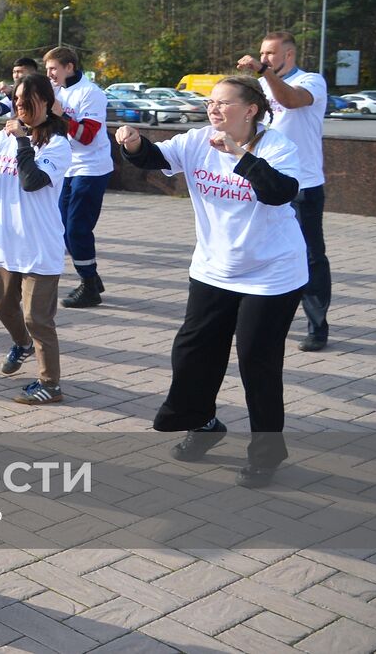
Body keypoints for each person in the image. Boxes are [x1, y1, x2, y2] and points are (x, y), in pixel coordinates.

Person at [115, 76, 305, 488]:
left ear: (250, 109)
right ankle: (203, 423)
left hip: (272, 274)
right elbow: (152, 157)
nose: (213, 109)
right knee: (193, 351)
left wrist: (239, 155)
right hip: (214, 269)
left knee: (257, 362)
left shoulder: (277, 147)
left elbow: (280, 192)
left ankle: (267, 454)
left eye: (223, 103)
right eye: (210, 102)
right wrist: (132, 143)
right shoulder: (198, 140)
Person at [0, 73, 72, 404]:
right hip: (5, 244)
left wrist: (23, 141)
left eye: (28, 102)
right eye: (17, 102)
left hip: (39, 247)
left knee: (37, 319)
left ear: (47, 104)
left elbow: (32, 181)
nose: (20, 108)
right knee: (2, 304)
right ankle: (21, 344)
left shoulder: (57, 145)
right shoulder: (3, 138)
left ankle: (50, 384)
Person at [237, 31, 331, 352]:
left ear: (288, 55)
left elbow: (291, 100)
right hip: (264, 182)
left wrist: (262, 73)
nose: (263, 60)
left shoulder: (312, 81)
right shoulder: (262, 85)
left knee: (310, 256)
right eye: (262, 54)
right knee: (258, 248)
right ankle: (259, 316)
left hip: (302, 185)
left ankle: (317, 326)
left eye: (269, 54)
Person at [44, 46, 112, 308]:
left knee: (77, 229)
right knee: (63, 230)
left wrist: (61, 115)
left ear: (69, 67)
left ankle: (89, 286)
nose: (50, 74)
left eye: (53, 69)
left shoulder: (91, 93)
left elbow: (86, 136)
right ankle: (91, 277)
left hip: (91, 168)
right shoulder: (58, 90)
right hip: (67, 168)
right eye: (48, 69)